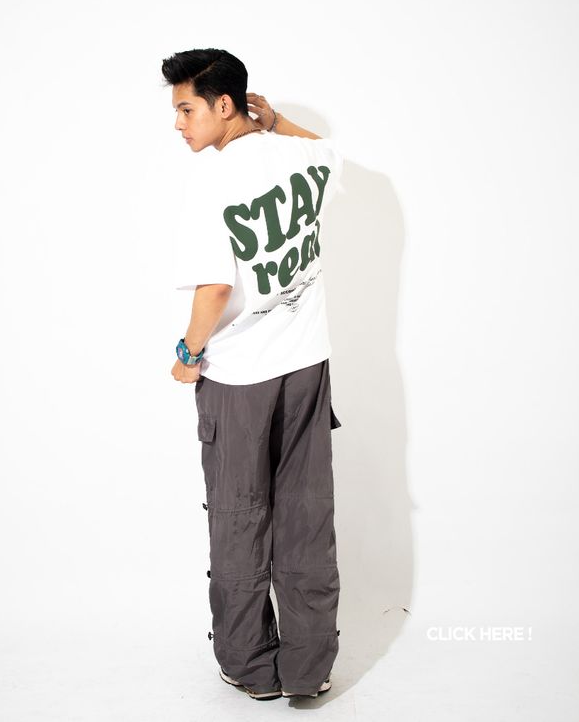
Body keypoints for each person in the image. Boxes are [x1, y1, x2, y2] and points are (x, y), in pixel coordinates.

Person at [162, 48, 344, 701]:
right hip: (307, 365)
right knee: (306, 514)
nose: (178, 124)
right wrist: (278, 122)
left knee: (240, 518)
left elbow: (214, 288)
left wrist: (187, 356)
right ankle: (309, 667)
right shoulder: (300, 156)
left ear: (223, 104)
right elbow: (328, 151)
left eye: (187, 109)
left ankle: (250, 666)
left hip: (240, 378)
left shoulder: (212, 181)